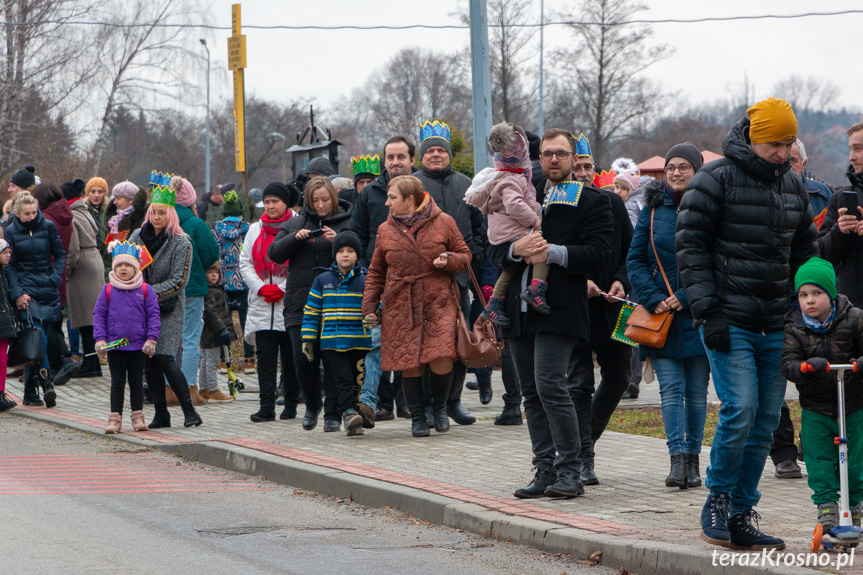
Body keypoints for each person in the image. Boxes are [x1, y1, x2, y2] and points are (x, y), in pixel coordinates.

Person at [676, 97, 816, 550]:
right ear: (755, 139)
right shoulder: (714, 179)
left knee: (766, 418)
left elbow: (804, 255)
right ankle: (716, 500)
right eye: (775, 144)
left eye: (788, 144)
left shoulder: (793, 186)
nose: (783, 152)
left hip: (776, 321)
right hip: (728, 319)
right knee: (740, 408)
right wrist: (707, 311)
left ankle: (741, 510)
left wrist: (806, 309)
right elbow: (690, 249)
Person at [486, 128, 613, 499]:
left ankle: (570, 470)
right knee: (530, 392)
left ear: (575, 159)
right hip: (517, 310)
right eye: (547, 154)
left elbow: (601, 255)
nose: (554, 159)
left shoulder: (592, 200)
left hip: (558, 307)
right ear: (538, 158)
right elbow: (493, 248)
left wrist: (552, 253)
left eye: (562, 153)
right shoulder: (519, 189)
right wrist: (515, 250)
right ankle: (543, 469)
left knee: (551, 386)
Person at [627, 143, 710, 489]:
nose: (676, 172)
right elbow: (636, 260)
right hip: (660, 319)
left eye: (684, 167)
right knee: (671, 391)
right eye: (671, 166)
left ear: (696, 170)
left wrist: (685, 297)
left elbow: (717, 264)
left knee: (697, 393)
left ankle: (694, 460)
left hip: (697, 317)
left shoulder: (709, 207)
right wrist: (656, 298)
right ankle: (677, 460)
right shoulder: (652, 207)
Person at [362, 175, 472, 437]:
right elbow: (376, 271)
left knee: (442, 357)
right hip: (401, 302)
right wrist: (369, 305)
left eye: (392, 198)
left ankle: (440, 408)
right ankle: (418, 417)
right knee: (409, 360)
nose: (387, 203)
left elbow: (465, 255)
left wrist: (449, 260)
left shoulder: (444, 221)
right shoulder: (385, 230)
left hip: (439, 299)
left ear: (410, 200)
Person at [565, 133, 633, 487]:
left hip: (610, 305)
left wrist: (621, 279)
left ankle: (579, 445)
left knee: (620, 377)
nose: (581, 171)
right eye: (576, 166)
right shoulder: (557, 204)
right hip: (573, 305)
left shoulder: (611, 203)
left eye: (587, 165)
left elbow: (629, 249)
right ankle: (583, 459)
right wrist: (581, 282)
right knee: (578, 384)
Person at [780, 257, 863, 533]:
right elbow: (787, 363)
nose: (810, 301)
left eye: (817, 293)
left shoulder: (854, 318)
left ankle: (853, 506)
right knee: (819, 460)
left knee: (854, 461)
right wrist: (804, 367)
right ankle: (827, 507)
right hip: (816, 407)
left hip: (852, 404)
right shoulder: (794, 326)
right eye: (803, 295)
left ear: (831, 293)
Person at [268, 176, 353, 428]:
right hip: (300, 302)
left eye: (325, 199)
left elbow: (358, 254)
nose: (321, 205)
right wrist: (295, 237)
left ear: (334, 198)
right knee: (303, 358)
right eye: (315, 200)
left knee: (334, 358)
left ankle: (332, 414)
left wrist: (337, 241)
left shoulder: (347, 221)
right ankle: (313, 404)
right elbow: (274, 253)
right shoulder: (296, 222)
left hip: (337, 302)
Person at [416, 120, 484, 426]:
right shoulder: (413, 186)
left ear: (449, 155)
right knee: (429, 347)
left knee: (459, 341)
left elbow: (479, 225)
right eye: (429, 151)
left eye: (439, 151)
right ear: (421, 157)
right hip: (424, 281)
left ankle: (452, 402)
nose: (435, 155)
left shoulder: (465, 184)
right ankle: (429, 406)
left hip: (459, 279)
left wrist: (474, 254)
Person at [351, 135, 417, 422]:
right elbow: (359, 235)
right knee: (376, 343)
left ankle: (407, 402)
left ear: (412, 160)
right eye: (390, 157)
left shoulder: (421, 192)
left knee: (409, 343)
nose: (395, 162)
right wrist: (367, 272)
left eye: (401, 157)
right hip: (378, 282)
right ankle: (380, 402)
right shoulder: (370, 193)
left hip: (413, 283)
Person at [128, 183, 202, 429]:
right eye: (153, 212)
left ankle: (189, 410)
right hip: (141, 309)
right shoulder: (137, 237)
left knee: (165, 357)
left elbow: (179, 281)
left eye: (162, 213)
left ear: (171, 214)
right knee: (149, 360)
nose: (157, 217)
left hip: (168, 308)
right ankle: (161, 413)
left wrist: (146, 293)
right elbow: (125, 267)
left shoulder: (182, 242)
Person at [465, 121, 549, 327]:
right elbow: (514, 204)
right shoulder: (513, 179)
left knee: (509, 269)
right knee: (542, 252)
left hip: (501, 234)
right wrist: (534, 219)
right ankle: (537, 288)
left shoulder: (503, 178)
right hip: (513, 232)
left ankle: (494, 303)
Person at [240, 182, 300, 423]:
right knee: (265, 357)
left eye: (275, 201)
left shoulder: (297, 226)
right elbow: (245, 262)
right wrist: (262, 287)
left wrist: (282, 288)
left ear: (285, 203)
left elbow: (300, 263)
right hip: (261, 303)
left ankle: (292, 403)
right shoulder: (255, 229)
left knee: (291, 357)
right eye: (267, 202)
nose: (270, 206)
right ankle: (266, 406)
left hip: (289, 302)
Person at [301, 231, 371, 436]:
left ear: (357, 255)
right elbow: (312, 312)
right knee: (341, 379)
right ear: (334, 255)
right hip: (333, 343)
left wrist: (376, 315)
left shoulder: (366, 280)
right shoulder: (322, 280)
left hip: (360, 341)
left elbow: (377, 303)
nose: (345, 255)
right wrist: (308, 338)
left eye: (350, 251)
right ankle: (348, 413)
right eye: (340, 251)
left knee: (357, 380)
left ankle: (355, 417)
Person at [5, 192, 66, 407]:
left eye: (34, 212)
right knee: (38, 338)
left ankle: (30, 393)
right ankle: (47, 383)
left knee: (38, 343)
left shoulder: (48, 226)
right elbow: (10, 266)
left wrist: (55, 277)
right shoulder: (11, 232)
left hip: (48, 290)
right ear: (17, 214)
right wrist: (18, 293)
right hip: (27, 292)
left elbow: (60, 254)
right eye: (27, 214)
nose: (31, 216)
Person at [94, 241, 160, 433]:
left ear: (136, 267)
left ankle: (138, 417)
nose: (123, 268)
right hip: (115, 347)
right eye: (119, 265)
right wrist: (100, 339)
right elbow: (99, 315)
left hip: (138, 346)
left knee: (137, 382)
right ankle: (115, 418)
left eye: (128, 265)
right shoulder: (107, 290)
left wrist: (151, 339)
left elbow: (153, 315)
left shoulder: (146, 290)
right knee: (117, 382)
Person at [172, 176, 219, 405]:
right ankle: (190, 390)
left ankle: (168, 389)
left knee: (167, 340)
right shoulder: (196, 224)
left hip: (164, 290)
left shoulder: (155, 220)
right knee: (190, 339)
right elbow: (211, 255)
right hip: (192, 287)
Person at [33, 182, 80, 382]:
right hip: (58, 273)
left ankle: (65, 360)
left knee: (48, 321)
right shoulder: (65, 216)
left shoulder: (46, 218)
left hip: (45, 272)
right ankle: (60, 363)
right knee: (52, 319)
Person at [66, 182, 107, 378]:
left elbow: (72, 249)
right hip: (94, 261)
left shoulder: (72, 216)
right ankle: (92, 360)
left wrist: (66, 271)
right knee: (91, 317)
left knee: (85, 319)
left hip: (82, 267)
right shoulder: (85, 212)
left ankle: (91, 362)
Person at [212, 189, 255, 372]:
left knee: (224, 320)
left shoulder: (216, 230)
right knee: (247, 319)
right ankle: (249, 361)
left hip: (223, 280)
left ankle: (224, 361)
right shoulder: (249, 230)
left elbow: (214, 254)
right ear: (240, 213)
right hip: (244, 279)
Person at [197, 262, 236, 403]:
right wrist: (222, 329)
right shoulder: (209, 291)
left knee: (207, 360)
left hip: (212, 331)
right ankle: (213, 390)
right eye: (210, 272)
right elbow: (211, 312)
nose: (214, 275)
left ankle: (204, 389)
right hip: (213, 331)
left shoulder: (216, 289)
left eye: (216, 272)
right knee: (212, 361)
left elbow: (218, 308)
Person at [790, 139, 833, 223]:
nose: (788, 166)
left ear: (803, 164)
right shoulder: (765, 193)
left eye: (792, 160)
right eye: (783, 161)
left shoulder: (823, 195)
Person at [0, 241, 17, 412]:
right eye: (4, 252)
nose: (8, 255)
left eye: (9, 252)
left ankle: (1, 393)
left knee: (2, 361)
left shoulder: (4, 272)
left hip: (4, 321)